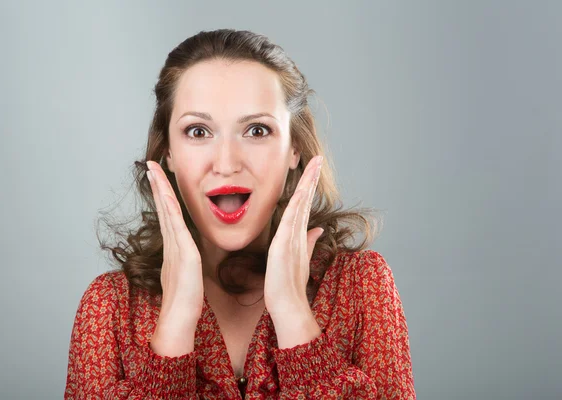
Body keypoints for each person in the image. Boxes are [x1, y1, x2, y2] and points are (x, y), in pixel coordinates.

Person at [64, 28, 416, 399]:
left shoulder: (360, 286)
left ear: (294, 148)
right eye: (198, 131)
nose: (227, 163)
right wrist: (175, 326)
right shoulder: (110, 308)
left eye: (257, 129)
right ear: (167, 152)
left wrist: (294, 313)